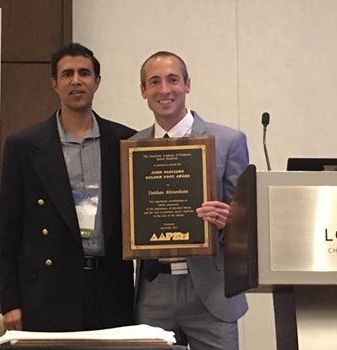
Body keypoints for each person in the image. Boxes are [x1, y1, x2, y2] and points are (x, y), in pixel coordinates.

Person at [0, 43, 135, 332]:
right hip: (48, 291)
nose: (76, 80)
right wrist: (9, 303)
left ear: (97, 82)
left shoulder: (126, 142)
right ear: (54, 84)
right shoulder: (23, 146)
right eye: (67, 74)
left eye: (84, 73)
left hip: (110, 287)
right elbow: (9, 231)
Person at [133, 51, 249, 350]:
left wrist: (227, 224)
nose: (164, 89)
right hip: (153, 292)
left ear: (187, 84)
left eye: (173, 80)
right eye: (154, 82)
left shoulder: (228, 141)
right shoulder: (132, 148)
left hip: (211, 292)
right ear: (143, 90)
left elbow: (248, 225)